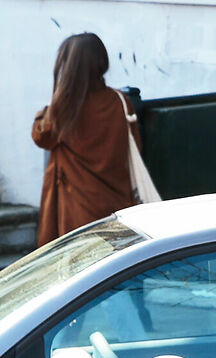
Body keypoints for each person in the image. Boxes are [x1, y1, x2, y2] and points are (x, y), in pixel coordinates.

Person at [31, 33, 138, 245]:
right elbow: (135, 147)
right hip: (117, 206)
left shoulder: (65, 109)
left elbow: (41, 135)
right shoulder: (120, 101)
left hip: (76, 214)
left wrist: (51, 105)